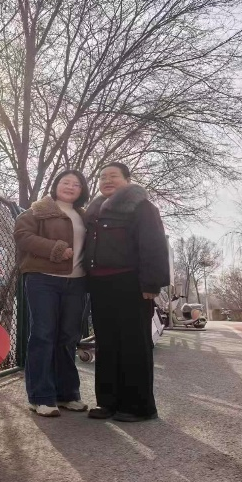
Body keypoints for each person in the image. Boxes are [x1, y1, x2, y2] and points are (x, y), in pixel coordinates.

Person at [84, 162, 169, 422]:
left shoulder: (142, 207)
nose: (107, 180)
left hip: (131, 283)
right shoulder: (94, 212)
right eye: (102, 177)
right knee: (106, 343)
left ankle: (139, 406)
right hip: (100, 286)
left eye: (113, 176)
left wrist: (151, 284)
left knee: (134, 343)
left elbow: (154, 245)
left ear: (128, 180)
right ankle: (107, 402)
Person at [14, 170, 90, 417]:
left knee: (68, 338)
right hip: (43, 279)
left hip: (77, 283)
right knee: (43, 335)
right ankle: (40, 397)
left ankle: (67, 394)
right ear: (56, 185)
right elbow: (22, 236)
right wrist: (55, 249)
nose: (71, 186)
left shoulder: (84, 216)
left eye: (76, 184)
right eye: (66, 182)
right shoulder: (39, 209)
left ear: (82, 190)